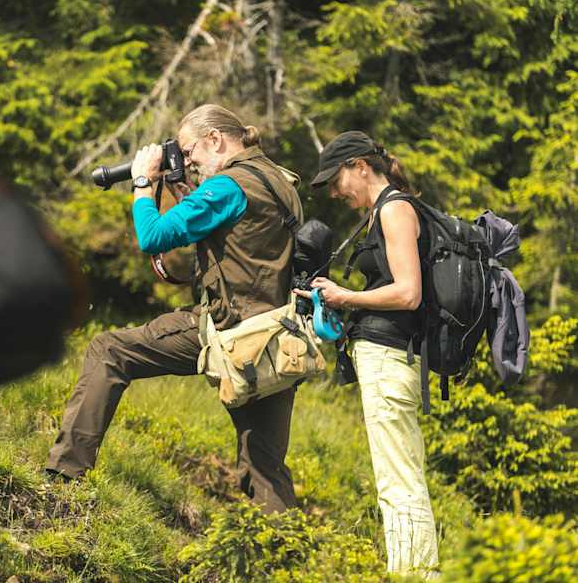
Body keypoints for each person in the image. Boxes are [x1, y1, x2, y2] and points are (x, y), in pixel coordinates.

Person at [46, 104, 303, 515]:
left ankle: (63, 477)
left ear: (214, 139)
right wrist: (185, 194)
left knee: (108, 351)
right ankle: (286, 548)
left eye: (188, 151)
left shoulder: (228, 187)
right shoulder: (278, 180)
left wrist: (143, 183)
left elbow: (153, 237)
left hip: (229, 331)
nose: (188, 161)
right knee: (265, 466)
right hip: (275, 341)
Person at [296, 131, 439, 577]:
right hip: (387, 358)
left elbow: (409, 293)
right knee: (396, 476)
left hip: (391, 359)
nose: (335, 193)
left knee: (399, 481)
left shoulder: (395, 209)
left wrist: (345, 296)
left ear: (360, 166)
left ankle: (415, 573)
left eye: (336, 181)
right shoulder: (384, 210)